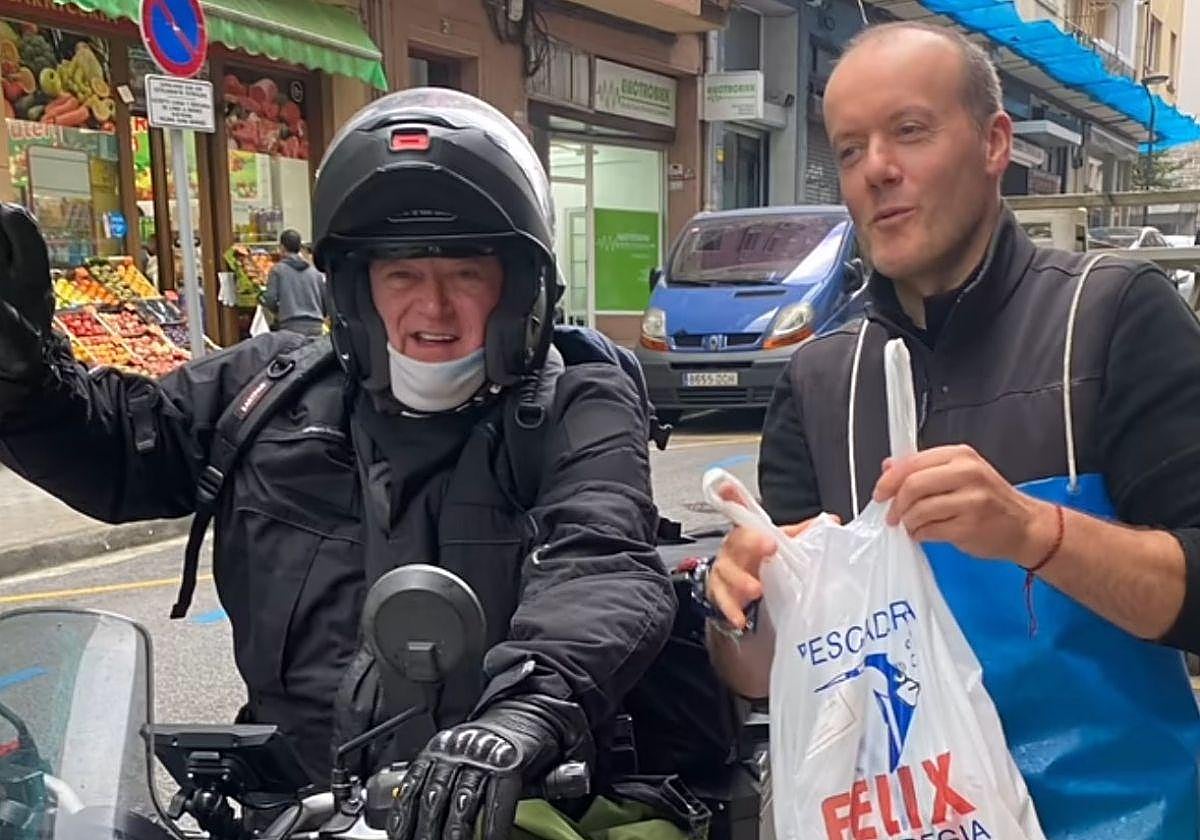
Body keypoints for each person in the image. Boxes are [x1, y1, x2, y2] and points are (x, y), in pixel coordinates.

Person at [0, 89, 676, 840]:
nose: (434, 308)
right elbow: (124, 449)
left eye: (465, 275)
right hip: (290, 814)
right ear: (355, 291)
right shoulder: (268, 391)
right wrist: (28, 385)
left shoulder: (576, 403)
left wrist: (525, 714)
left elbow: (603, 561)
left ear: (519, 289)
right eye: (403, 277)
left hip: (501, 809)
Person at [698, 22, 1200, 840]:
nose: (876, 172)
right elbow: (762, 677)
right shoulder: (822, 380)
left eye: (910, 131)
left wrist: (1034, 532)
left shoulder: (1113, 317)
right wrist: (740, 610)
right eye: (851, 149)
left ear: (996, 142)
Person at [262, 228, 327, 336]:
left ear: (282, 248)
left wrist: (279, 311)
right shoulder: (315, 273)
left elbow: (270, 299)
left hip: (290, 326)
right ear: (299, 247)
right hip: (316, 327)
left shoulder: (278, 270)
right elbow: (325, 303)